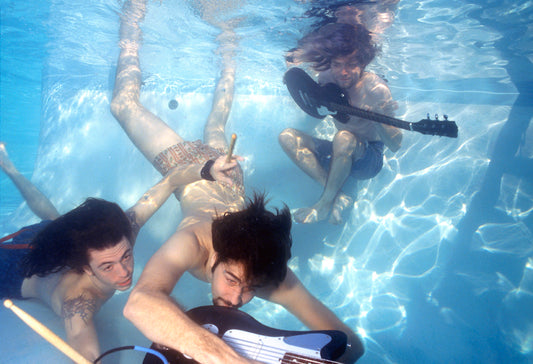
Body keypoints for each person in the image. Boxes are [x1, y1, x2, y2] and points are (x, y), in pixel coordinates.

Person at [110, 1, 364, 363]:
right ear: (218, 254)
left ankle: (229, 48)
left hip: (228, 174)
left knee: (215, 128)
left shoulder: (266, 270)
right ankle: (132, 21)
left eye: (250, 289)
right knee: (122, 105)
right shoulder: (192, 243)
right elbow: (140, 302)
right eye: (231, 278)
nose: (236, 299)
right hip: (193, 169)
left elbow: (350, 345)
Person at [0, 141, 226, 362]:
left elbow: (169, 181)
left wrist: (208, 169)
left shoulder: (120, 237)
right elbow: (82, 341)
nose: (124, 272)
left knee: (53, 221)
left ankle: (8, 167)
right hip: (12, 270)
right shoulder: (78, 300)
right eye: (107, 267)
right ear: (86, 268)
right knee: (51, 221)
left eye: (126, 256)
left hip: (46, 234)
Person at [279, 22, 402, 224]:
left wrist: (380, 120)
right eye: (337, 64)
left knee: (344, 137)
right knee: (287, 137)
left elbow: (396, 145)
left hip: (368, 160)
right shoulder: (326, 79)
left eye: (351, 64)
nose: (343, 72)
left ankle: (324, 203)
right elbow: (311, 104)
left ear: (362, 63)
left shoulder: (377, 90)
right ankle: (337, 194)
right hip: (340, 153)